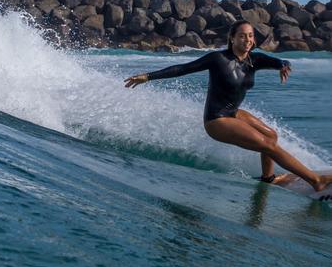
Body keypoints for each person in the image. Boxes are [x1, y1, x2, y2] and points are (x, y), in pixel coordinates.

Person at [124, 20, 332, 192]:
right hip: (217, 120)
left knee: (272, 136)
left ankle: (268, 178)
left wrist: (283, 66)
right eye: (242, 35)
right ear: (232, 38)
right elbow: (183, 68)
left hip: (234, 113)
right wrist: (148, 77)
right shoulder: (218, 59)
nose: (248, 40)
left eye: (251, 36)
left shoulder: (254, 60)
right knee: (267, 146)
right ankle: (316, 181)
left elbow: (280, 61)